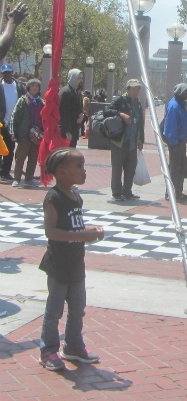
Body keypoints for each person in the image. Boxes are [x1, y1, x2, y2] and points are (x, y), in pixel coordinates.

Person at [38, 148, 104, 371]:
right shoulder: (53, 197)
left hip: (76, 264)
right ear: (62, 172)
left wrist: (90, 229)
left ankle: (73, 345)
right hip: (59, 265)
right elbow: (52, 232)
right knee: (54, 309)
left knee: (78, 307)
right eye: (79, 167)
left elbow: (73, 226)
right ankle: (48, 350)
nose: (84, 171)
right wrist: (83, 235)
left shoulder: (75, 195)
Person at [104, 79, 145, 201]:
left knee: (131, 167)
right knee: (117, 167)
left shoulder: (138, 103)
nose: (136, 91)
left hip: (132, 141)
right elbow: (106, 111)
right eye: (133, 89)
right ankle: (116, 192)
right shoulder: (121, 100)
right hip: (119, 140)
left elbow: (140, 123)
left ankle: (127, 191)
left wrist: (141, 140)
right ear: (128, 89)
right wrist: (121, 114)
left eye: (137, 89)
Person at [9, 78, 44, 187]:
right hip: (24, 134)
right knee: (20, 157)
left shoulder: (42, 102)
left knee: (33, 158)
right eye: (32, 86)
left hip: (37, 135)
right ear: (28, 87)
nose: (34, 88)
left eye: (37, 86)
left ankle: (29, 178)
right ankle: (17, 178)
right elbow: (14, 116)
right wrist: (12, 131)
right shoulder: (22, 100)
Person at [163, 83, 187, 202]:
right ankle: (170, 192)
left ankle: (178, 192)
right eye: (186, 92)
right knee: (174, 169)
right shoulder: (174, 106)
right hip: (175, 143)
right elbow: (170, 126)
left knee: (180, 168)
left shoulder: (181, 104)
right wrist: (174, 143)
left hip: (181, 142)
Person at [0, 63, 26, 180]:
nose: (7, 75)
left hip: (13, 123)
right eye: (4, 73)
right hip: (1, 122)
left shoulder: (19, 86)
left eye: (9, 72)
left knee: (10, 148)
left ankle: (5, 172)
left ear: (12, 73)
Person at [59, 69, 84, 148]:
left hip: (74, 129)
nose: (81, 80)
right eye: (79, 78)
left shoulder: (77, 92)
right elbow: (63, 113)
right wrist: (66, 131)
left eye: (81, 78)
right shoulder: (65, 92)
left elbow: (79, 108)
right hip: (67, 131)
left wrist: (82, 114)